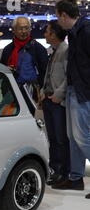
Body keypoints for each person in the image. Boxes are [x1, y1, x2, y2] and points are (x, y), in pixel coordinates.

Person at [53, 0, 90, 195]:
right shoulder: (75, 33)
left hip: (83, 93)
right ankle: (76, 178)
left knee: (83, 138)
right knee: (72, 138)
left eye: (58, 16)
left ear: (65, 16)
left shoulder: (86, 31)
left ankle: (76, 177)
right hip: (74, 90)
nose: (57, 21)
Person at [39, 20, 70, 186]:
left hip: (58, 101)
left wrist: (58, 94)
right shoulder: (53, 51)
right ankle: (55, 170)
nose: (44, 34)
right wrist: (43, 92)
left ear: (54, 34)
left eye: (47, 31)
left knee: (60, 139)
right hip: (49, 100)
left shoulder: (65, 50)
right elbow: (48, 75)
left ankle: (64, 172)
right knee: (53, 138)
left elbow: (68, 77)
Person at [0, 16, 49, 103]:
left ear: (30, 29)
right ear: (14, 30)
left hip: (33, 93)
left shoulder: (38, 48)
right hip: (11, 91)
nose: (24, 31)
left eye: (26, 28)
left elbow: (45, 72)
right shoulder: (8, 50)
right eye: (20, 29)